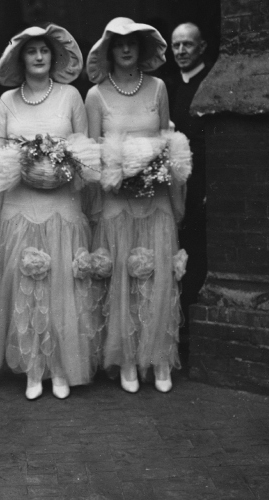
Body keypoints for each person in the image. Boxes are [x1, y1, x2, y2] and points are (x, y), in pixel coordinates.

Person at [0, 24, 98, 400]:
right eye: (31, 51)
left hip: (62, 204)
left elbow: (84, 150)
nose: (39, 56)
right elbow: (0, 151)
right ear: (21, 58)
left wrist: (61, 170)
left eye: (45, 50)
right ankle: (31, 367)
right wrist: (25, 166)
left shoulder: (71, 96)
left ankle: (60, 367)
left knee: (61, 285)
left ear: (53, 56)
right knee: (26, 287)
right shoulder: (8, 101)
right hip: (20, 205)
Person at [85, 18, 187, 393]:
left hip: (155, 199)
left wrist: (154, 171)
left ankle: (159, 359)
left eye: (133, 43)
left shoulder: (158, 87)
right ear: (109, 51)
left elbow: (167, 138)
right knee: (123, 279)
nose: (126, 49)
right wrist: (121, 171)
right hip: (117, 201)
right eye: (119, 44)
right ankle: (127, 359)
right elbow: (93, 150)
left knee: (158, 274)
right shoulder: (96, 95)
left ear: (141, 49)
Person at [165, 22, 210, 343]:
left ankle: (193, 327)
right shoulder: (165, 87)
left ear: (201, 47)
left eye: (187, 45)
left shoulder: (211, 83)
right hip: (169, 187)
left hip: (199, 188)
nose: (181, 51)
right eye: (176, 45)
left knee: (196, 253)